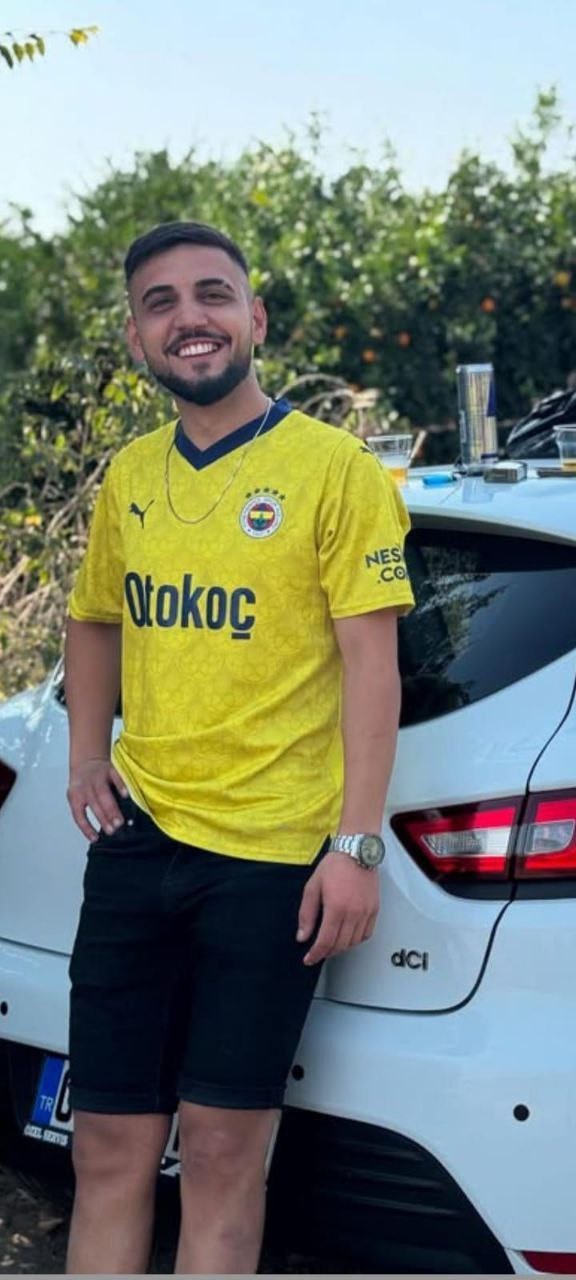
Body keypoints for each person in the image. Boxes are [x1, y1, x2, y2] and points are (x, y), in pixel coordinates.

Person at [64, 220, 414, 1275]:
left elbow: (373, 670)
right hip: (138, 847)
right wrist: (86, 754)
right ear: (138, 336)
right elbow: (93, 620)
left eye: (212, 294)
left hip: (271, 864)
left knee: (221, 1152)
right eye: (161, 303)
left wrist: (355, 844)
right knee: (105, 1145)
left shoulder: (335, 469)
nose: (191, 319)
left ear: (254, 317)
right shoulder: (130, 475)